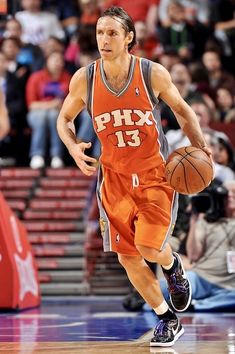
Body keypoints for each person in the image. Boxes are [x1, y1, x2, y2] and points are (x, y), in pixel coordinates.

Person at [57, 6, 212, 347]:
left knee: (149, 247)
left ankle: (172, 267)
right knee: (128, 256)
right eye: (100, 32)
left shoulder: (150, 73)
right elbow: (63, 119)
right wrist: (71, 146)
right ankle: (166, 318)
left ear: (129, 38)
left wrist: (201, 149)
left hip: (155, 174)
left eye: (112, 33)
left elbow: (184, 112)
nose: (104, 39)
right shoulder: (85, 79)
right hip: (114, 180)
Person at [161, 179, 235, 312]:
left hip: (229, 285)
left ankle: (196, 304)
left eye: (233, 194)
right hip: (202, 277)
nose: (230, 197)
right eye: (227, 195)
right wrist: (194, 219)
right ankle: (144, 302)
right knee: (163, 288)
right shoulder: (206, 222)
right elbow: (194, 255)